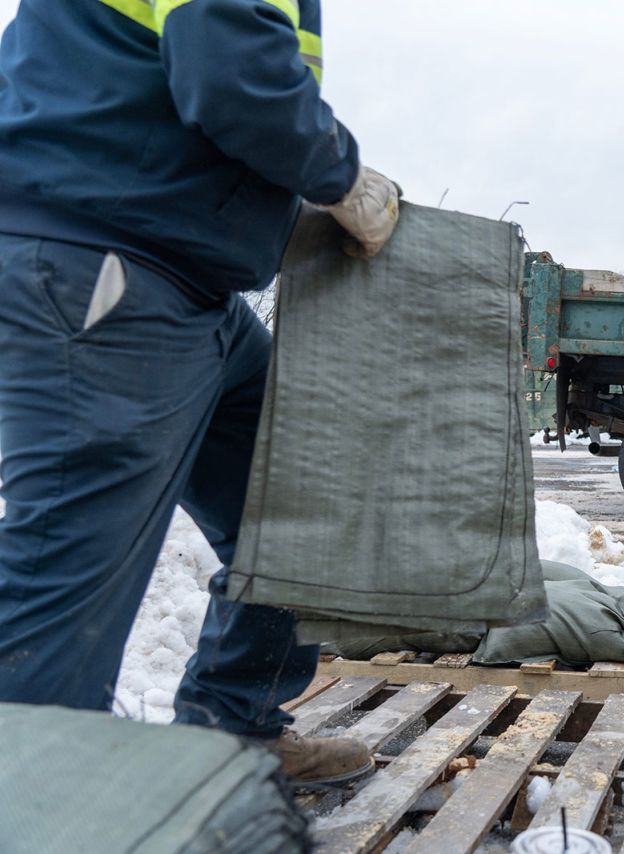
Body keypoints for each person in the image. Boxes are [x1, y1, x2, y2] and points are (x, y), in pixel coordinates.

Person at [0, 0, 399, 785]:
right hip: (106, 271)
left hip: (182, 282)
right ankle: (29, 800)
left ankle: (230, 729)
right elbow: (233, 76)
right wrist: (340, 173)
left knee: (300, 499)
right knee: (71, 570)